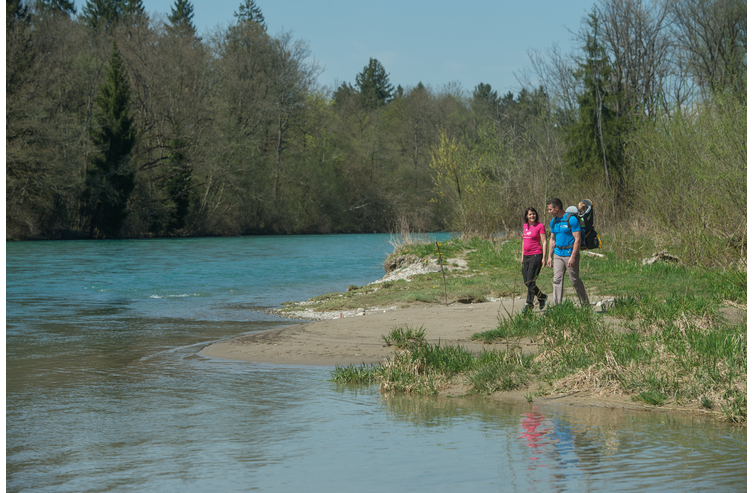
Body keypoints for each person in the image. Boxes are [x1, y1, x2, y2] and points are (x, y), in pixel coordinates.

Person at [546, 198, 589, 307]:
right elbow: (552, 239)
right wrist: (549, 256)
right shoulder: (553, 221)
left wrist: (573, 256)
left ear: (557, 208)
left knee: (574, 280)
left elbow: (577, 239)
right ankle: (557, 307)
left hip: (569, 254)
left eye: (550, 209)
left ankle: (585, 305)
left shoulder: (572, 220)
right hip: (558, 254)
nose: (549, 212)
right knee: (556, 280)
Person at [521, 207, 548, 311]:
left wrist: (544, 258)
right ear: (526, 216)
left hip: (536, 255)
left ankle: (529, 304)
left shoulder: (540, 226)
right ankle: (541, 296)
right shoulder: (525, 226)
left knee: (531, 281)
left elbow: (544, 242)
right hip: (526, 257)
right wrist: (522, 256)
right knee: (527, 282)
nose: (532, 216)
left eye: (534, 214)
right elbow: (524, 242)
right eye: (530, 214)